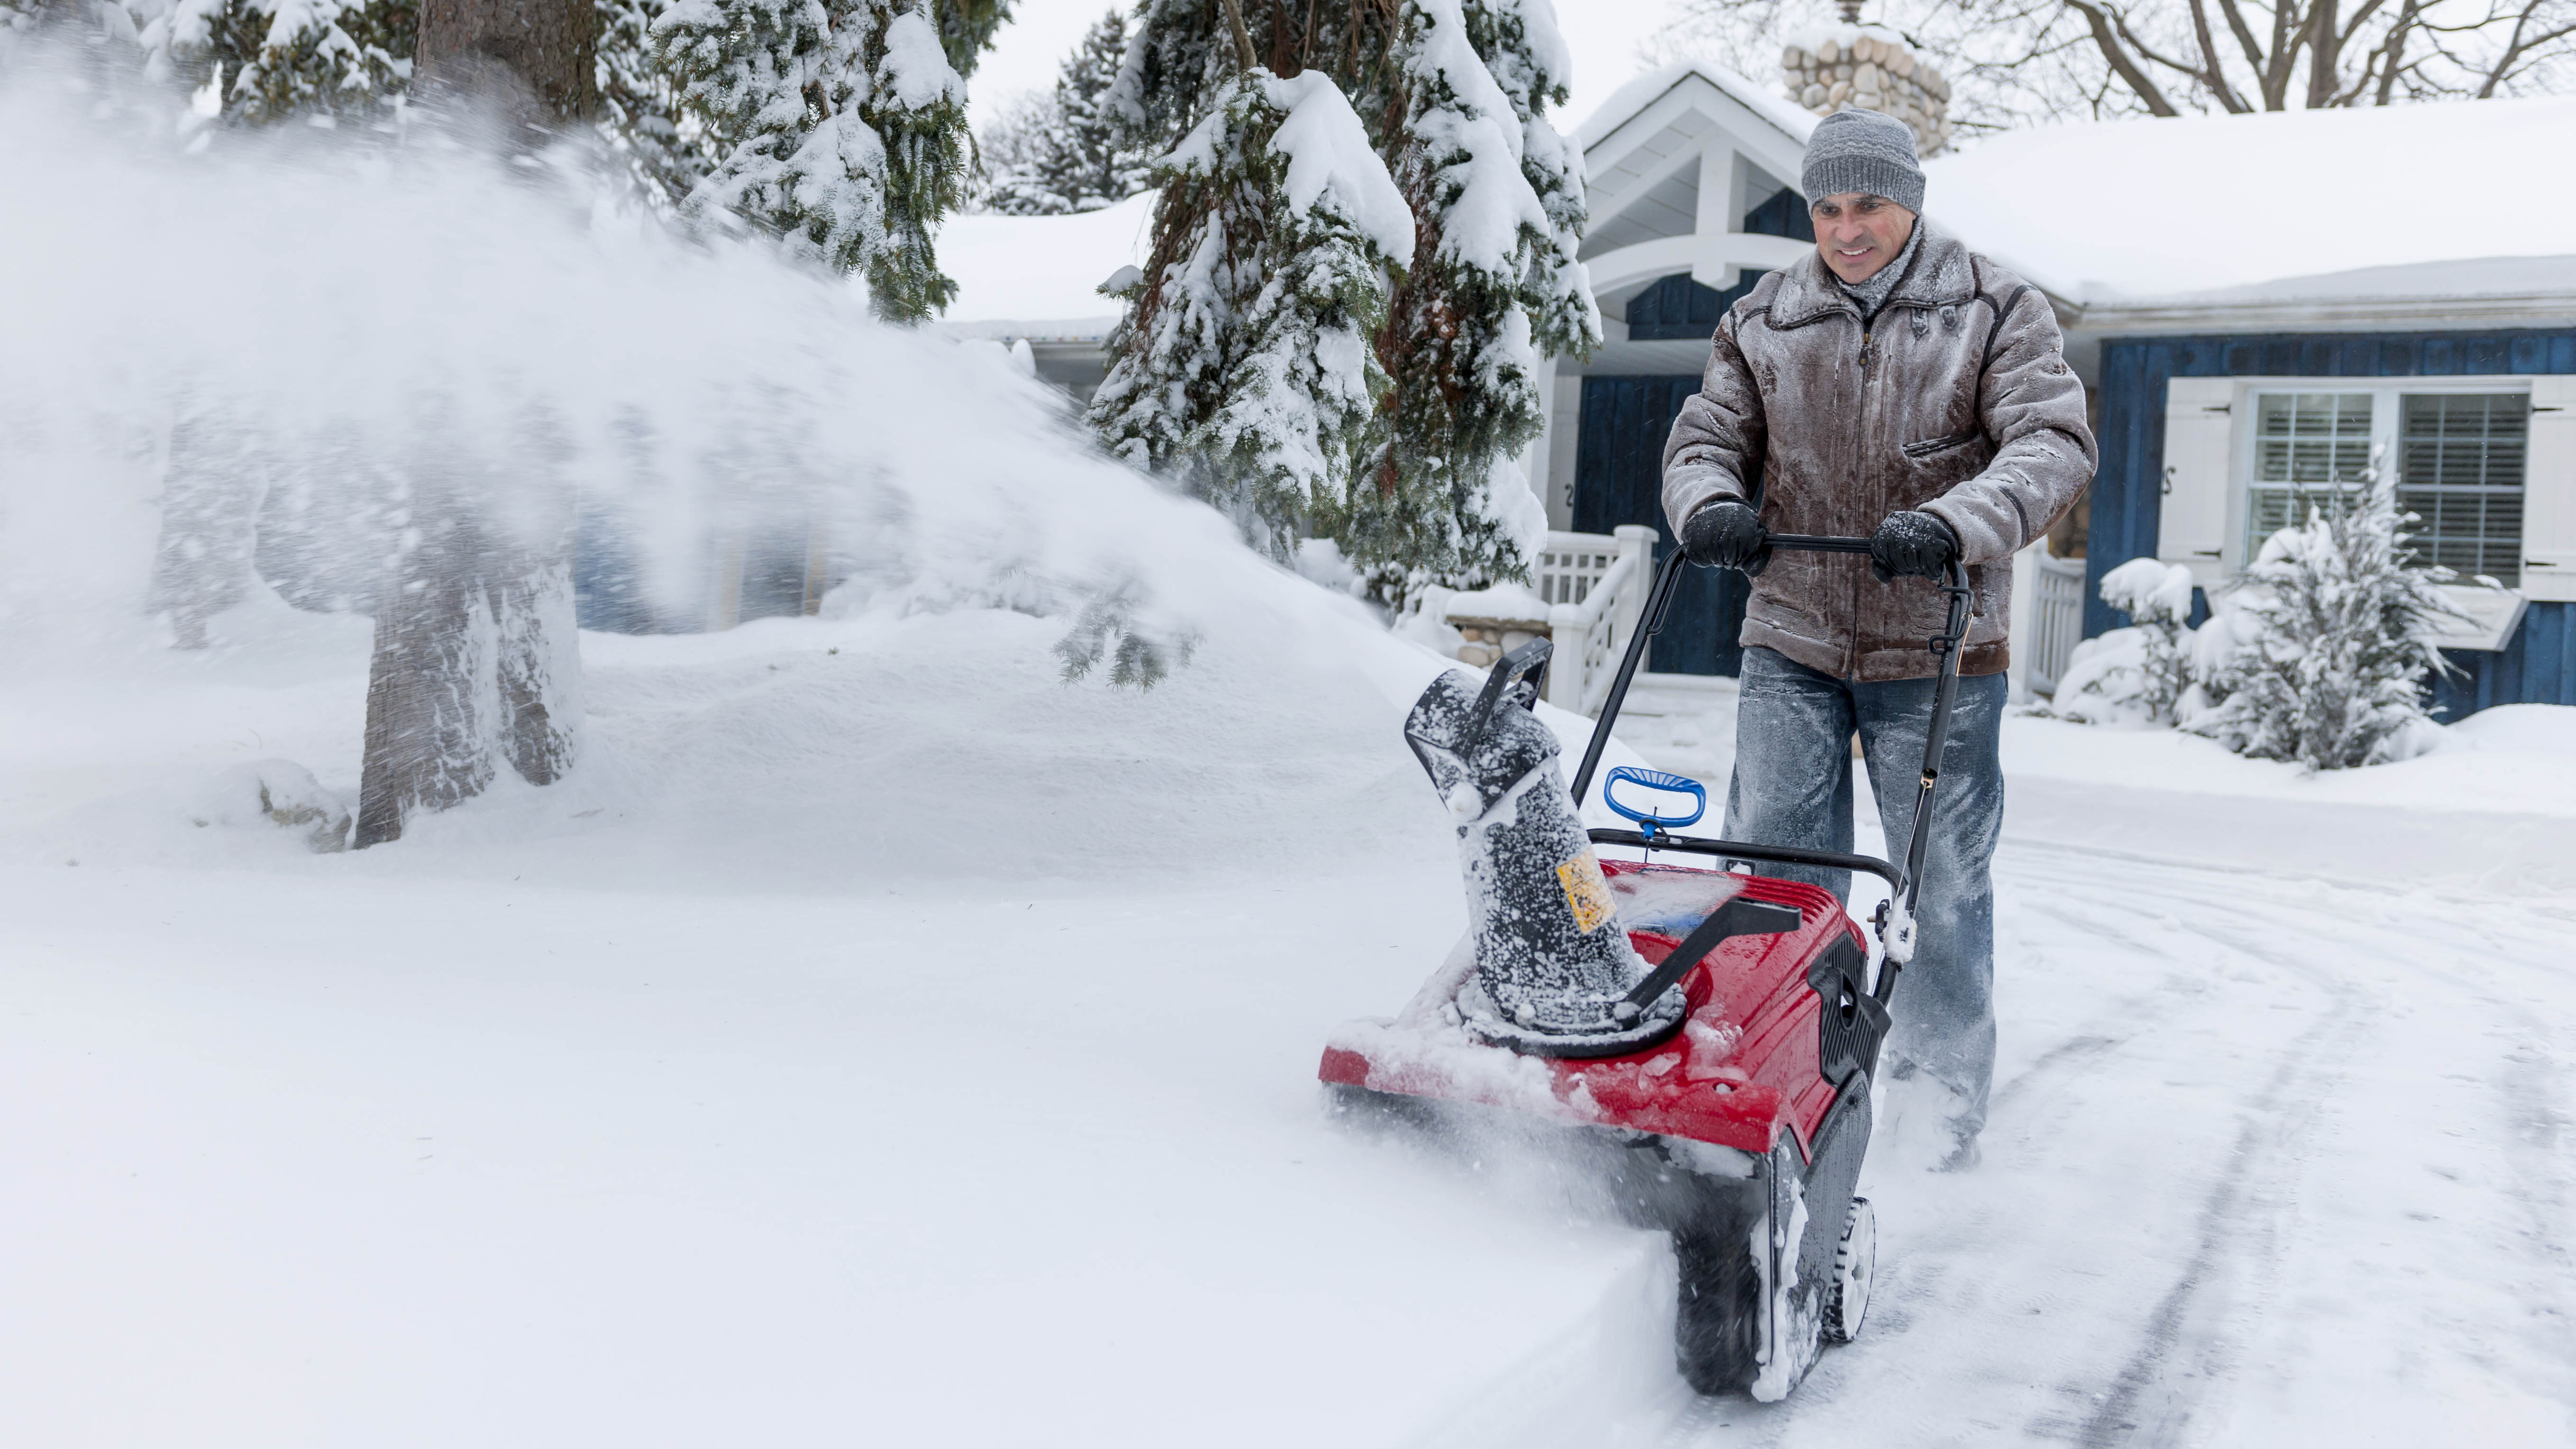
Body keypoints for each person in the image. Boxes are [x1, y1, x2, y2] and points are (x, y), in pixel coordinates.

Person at [1660, 108, 2095, 1170]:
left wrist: (1952, 523)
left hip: (1938, 645)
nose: (1846, 229)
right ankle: (1766, 1082)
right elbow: (1704, 439)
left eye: (1867, 205)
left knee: (1937, 886)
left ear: (1910, 200)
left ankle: (1937, 1119)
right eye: (1827, 207)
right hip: (1791, 633)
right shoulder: (1762, 318)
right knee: (1775, 877)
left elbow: (2051, 442)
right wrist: (1707, 501)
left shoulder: (1994, 308)